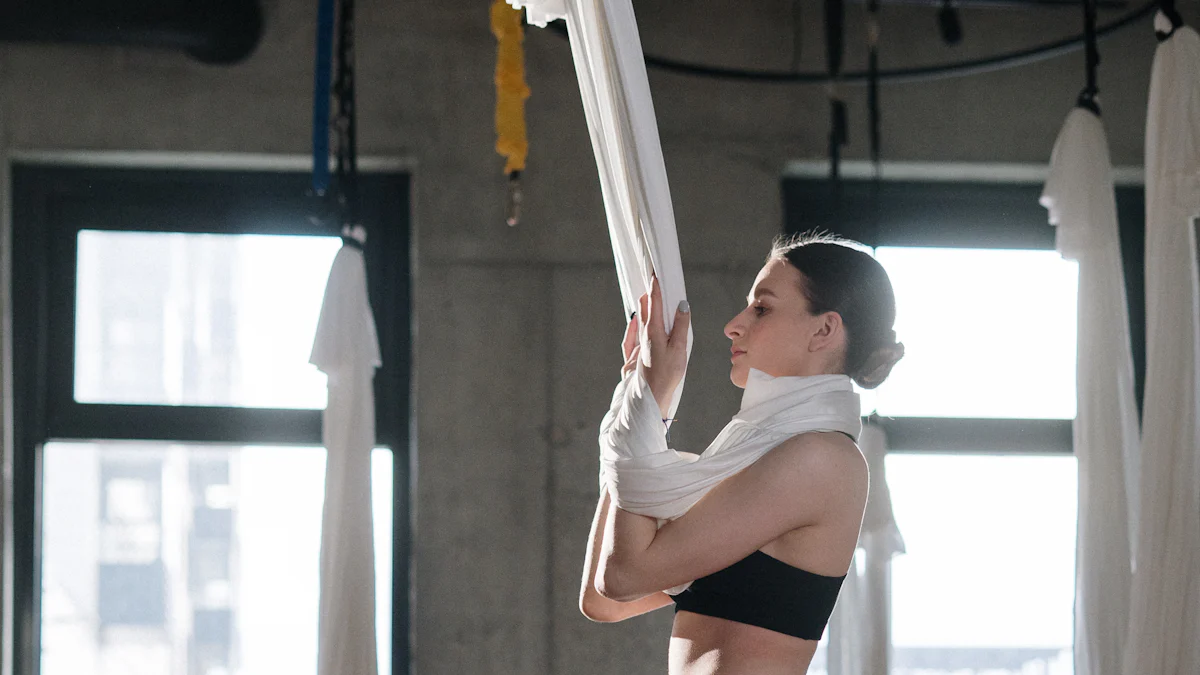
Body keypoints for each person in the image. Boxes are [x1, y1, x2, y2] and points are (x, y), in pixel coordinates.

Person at [579, 232, 905, 675]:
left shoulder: (822, 459)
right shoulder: (744, 463)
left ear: (824, 329)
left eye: (761, 308)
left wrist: (647, 406)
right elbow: (602, 601)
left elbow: (622, 577)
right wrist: (639, 402)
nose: (733, 325)